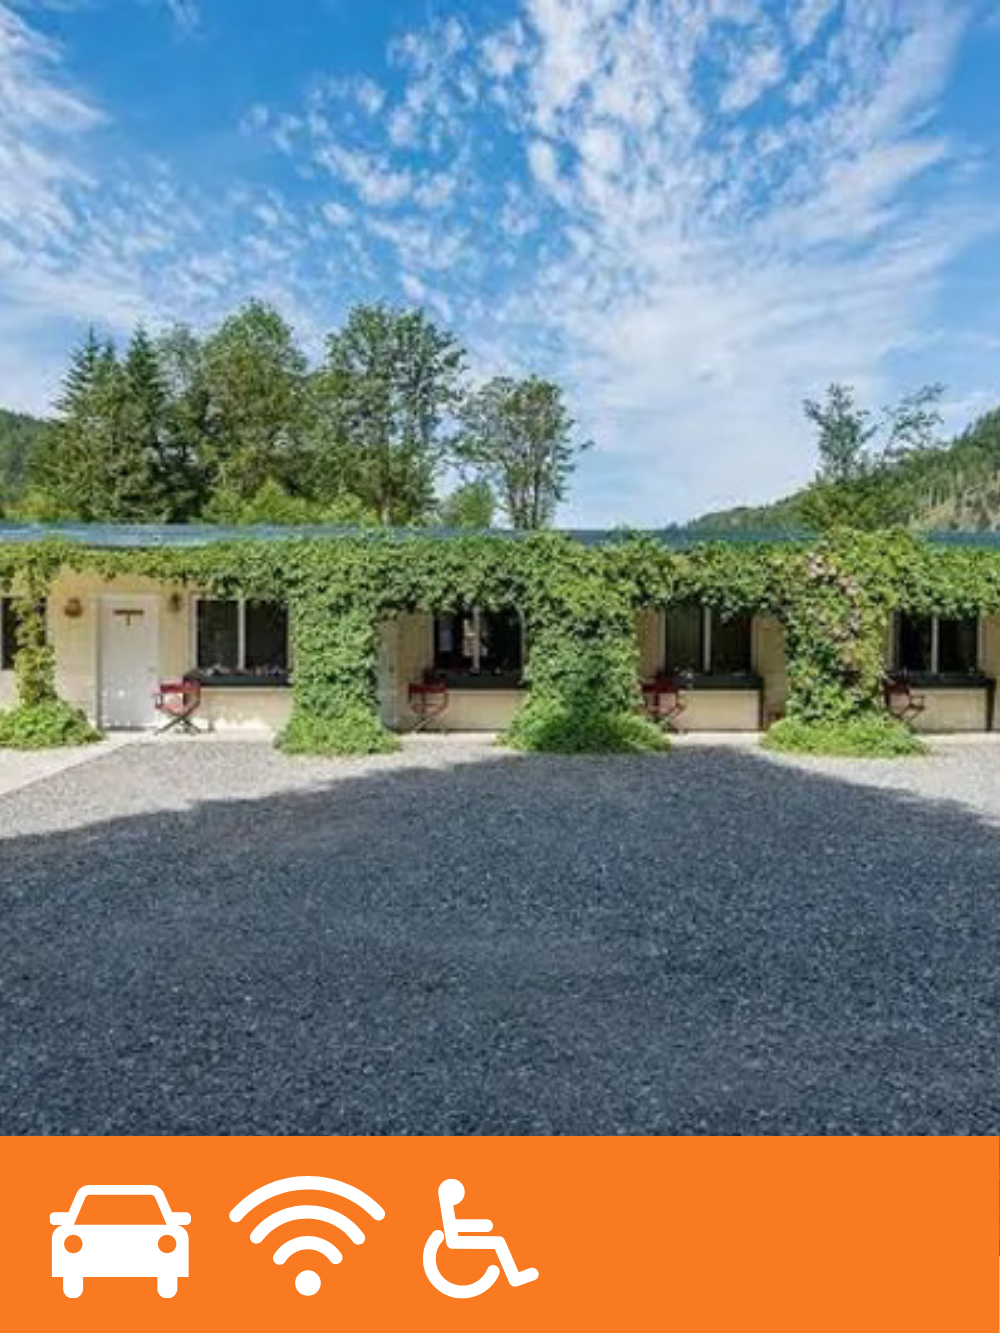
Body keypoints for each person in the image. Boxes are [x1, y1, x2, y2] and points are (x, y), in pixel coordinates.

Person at [436, 1179, 538, 1287]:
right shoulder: (447, 1206)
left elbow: (456, 1225)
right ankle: (514, 1277)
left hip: (457, 1237)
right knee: (498, 1241)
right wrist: (484, 1225)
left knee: (498, 1241)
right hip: (456, 1240)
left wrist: (484, 1225)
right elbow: (454, 1227)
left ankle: (514, 1276)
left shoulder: (447, 1205)